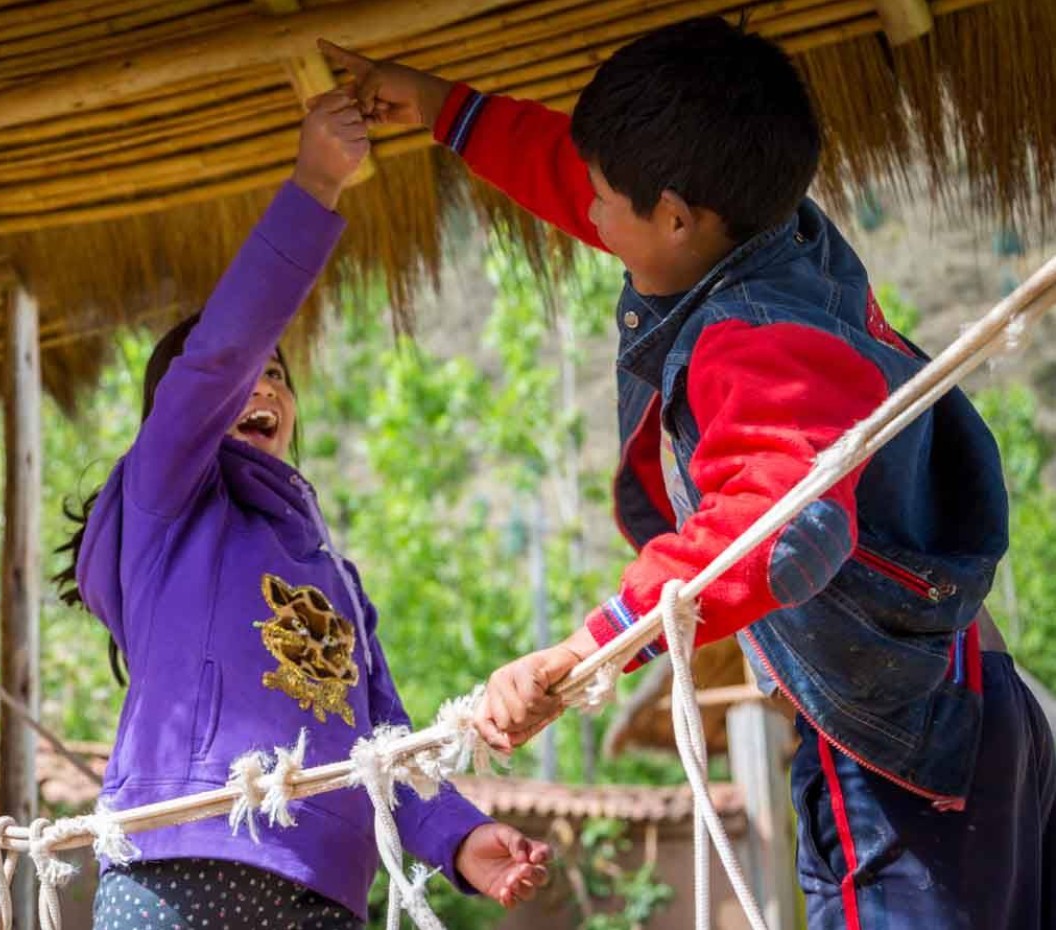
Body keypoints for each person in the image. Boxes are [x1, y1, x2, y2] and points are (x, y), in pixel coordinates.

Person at [322, 19, 1055, 929]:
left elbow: (774, 526)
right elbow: (584, 175)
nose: (586, 213)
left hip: (905, 746)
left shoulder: (758, 343)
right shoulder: (774, 235)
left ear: (675, 214)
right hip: (952, 705)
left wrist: (584, 651)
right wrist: (445, 109)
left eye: (604, 199)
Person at [57, 90, 550, 929]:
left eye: (280, 374)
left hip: (326, 893)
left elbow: (383, 747)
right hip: (178, 864)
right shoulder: (161, 499)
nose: (264, 384)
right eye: (248, 369)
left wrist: (463, 839)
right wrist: (314, 185)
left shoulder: (339, 583)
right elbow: (217, 359)